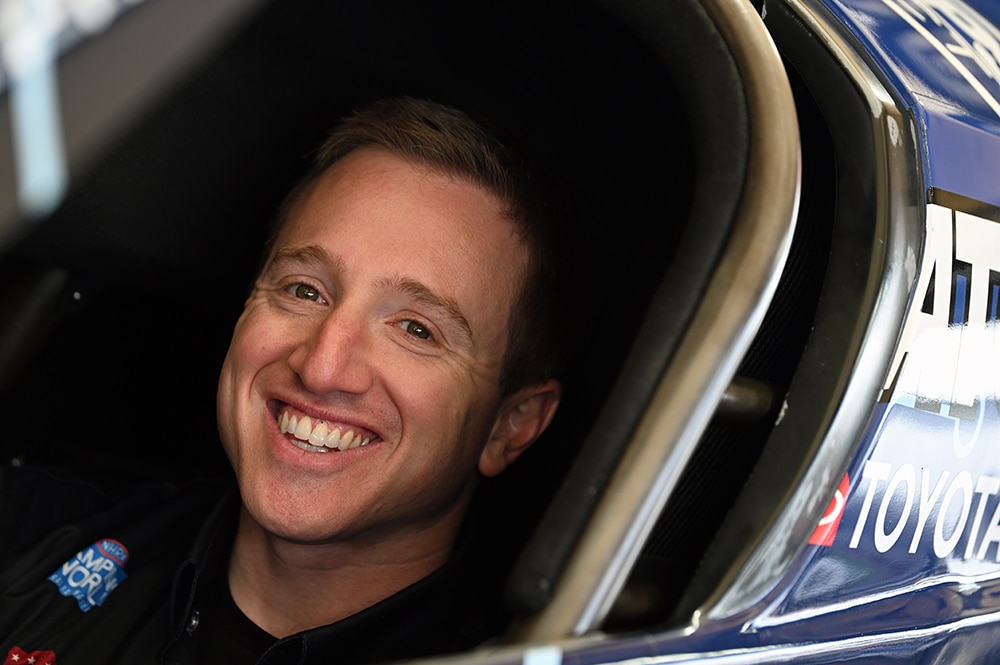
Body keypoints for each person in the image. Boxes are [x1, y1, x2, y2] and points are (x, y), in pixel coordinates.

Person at [0, 96, 563, 664]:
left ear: (508, 427)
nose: (322, 367)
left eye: (415, 329)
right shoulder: (28, 536)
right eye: (304, 290)